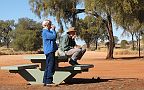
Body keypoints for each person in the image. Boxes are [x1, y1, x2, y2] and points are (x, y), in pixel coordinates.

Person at [41, 19, 58, 86]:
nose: (51, 25)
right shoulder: (45, 32)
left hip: (50, 51)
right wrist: (53, 29)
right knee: (51, 66)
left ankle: (45, 80)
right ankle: (49, 81)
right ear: (46, 25)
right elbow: (54, 37)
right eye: (50, 24)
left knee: (48, 66)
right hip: (50, 51)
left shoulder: (48, 32)